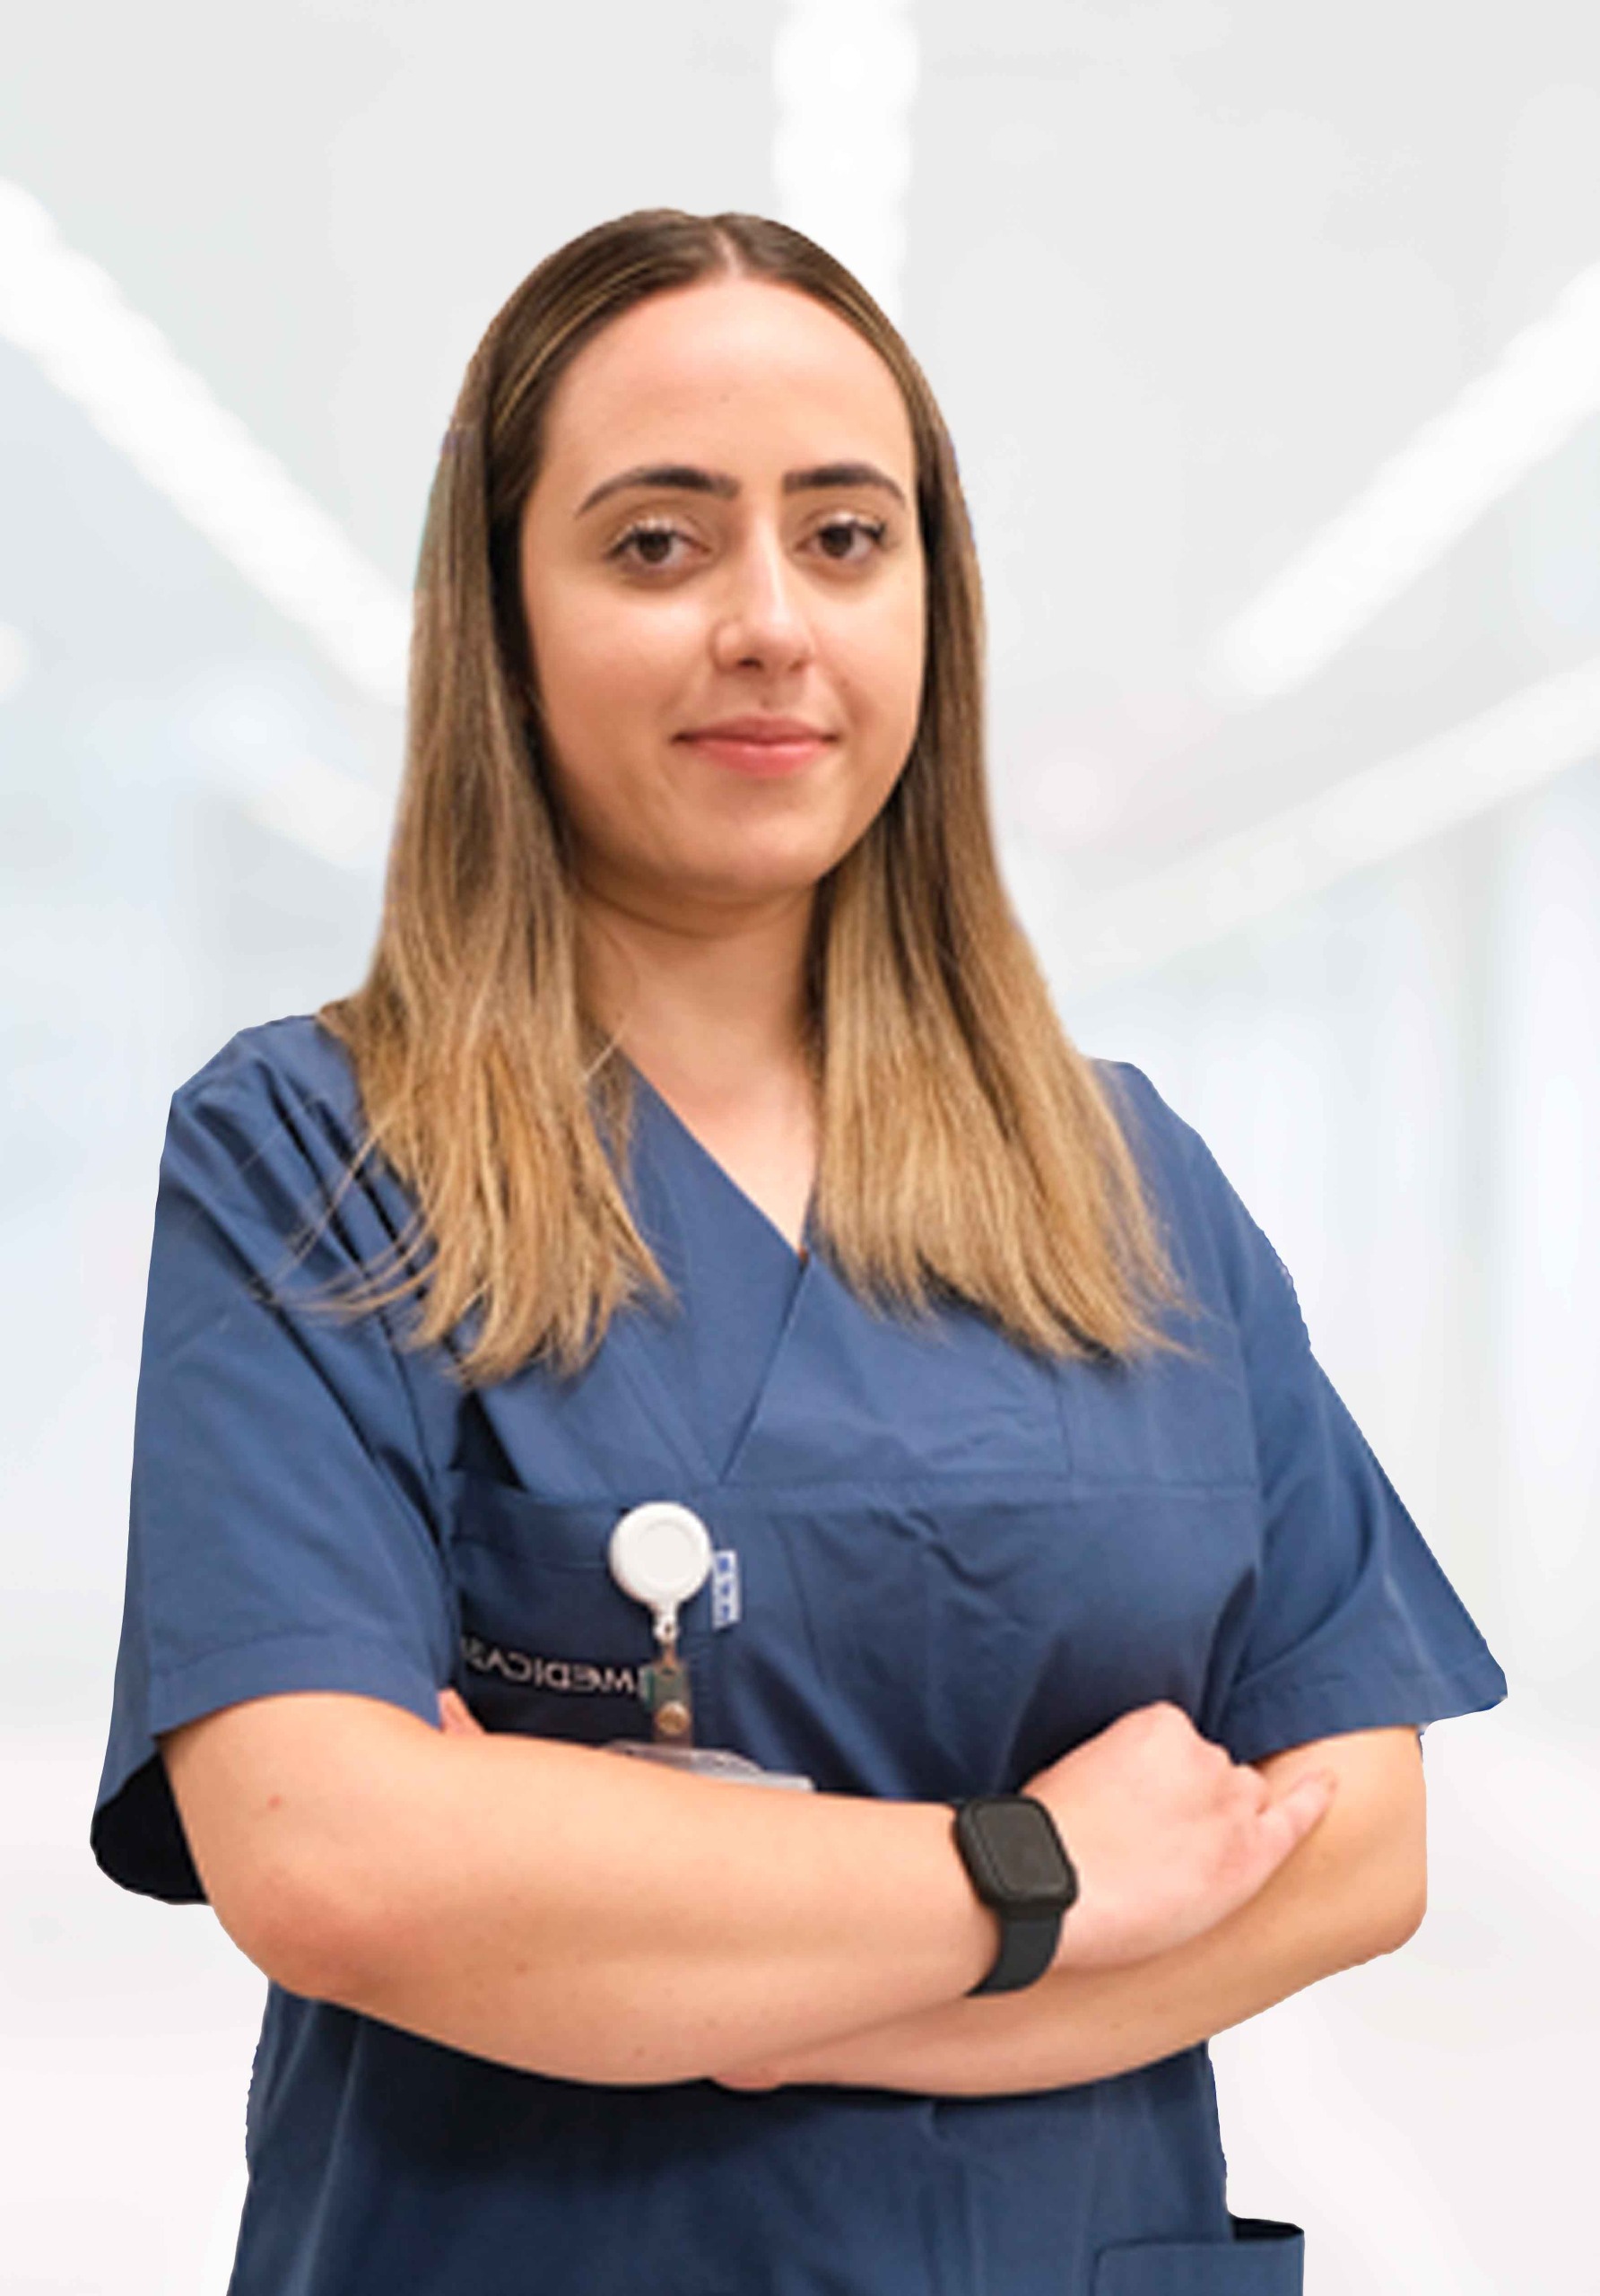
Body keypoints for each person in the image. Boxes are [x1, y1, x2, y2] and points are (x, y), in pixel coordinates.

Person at [91, 208, 1506, 2296]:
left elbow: (1354, 1843)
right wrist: (1042, 1865)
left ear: (932, 600)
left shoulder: (1127, 1183)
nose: (768, 620)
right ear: (504, 614)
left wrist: (735, 1989)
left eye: (844, 537)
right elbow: (330, 1853)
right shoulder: (320, 1152)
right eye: (658, 543)